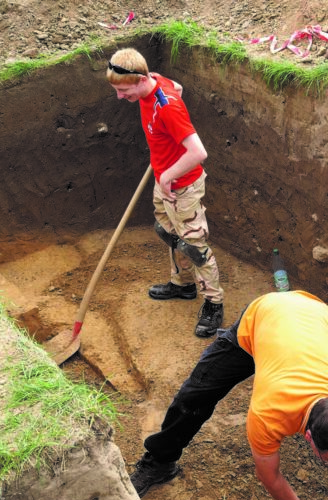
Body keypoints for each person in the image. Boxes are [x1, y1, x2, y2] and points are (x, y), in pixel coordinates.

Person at [130, 290, 328, 500]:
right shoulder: (267, 415)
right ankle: (160, 461)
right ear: (307, 437)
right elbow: (270, 477)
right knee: (194, 396)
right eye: (327, 461)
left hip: (319, 321)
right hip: (265, 316)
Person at [106, 48, 224, 338]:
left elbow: (198, 152)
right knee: (169, 233)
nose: (120, 97)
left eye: (123, 90)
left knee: (194, 245)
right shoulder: (156, 81)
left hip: (182, 186)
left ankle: (213, 302)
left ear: (139, 79)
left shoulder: (167, 107)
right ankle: (182, 285)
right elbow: (178, 88)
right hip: (165, 180)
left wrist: (169, 174)